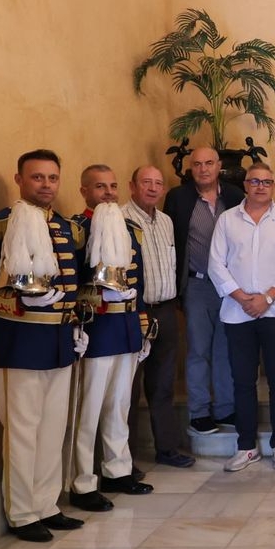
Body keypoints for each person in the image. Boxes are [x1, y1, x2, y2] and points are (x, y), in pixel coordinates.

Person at [0, 149, 86, 541]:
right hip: (19, 342)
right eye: (37, 177)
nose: (46, 185)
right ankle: (22, 513)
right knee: (22, 429)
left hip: (59, 341)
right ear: (19, 180)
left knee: (53, 427)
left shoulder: (67, 228)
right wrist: (20, 301)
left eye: (52, 178)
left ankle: (47, 504)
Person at [68, 164, 154, 513]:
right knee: (88, 410)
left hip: (126, 327)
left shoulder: (130, 229)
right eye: (100, 187)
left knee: (119, 405)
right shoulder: (77, 230)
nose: (108, 193)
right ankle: (83, 482)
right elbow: (71, 284)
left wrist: (143, 322)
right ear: (84, 191)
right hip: (96, 330)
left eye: (113, 186)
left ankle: (117, 470)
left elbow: (140, 281)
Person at [208, 163, 275, 472]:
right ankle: (246, 445)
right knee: (243, 381)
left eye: (266, 182)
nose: (260, 186)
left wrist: (266, 298)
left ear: (273, 186)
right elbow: (216, 265)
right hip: (238, 313)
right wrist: (241, 297)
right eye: (254, 181)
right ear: (245, 185)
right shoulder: (227, 220)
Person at [164, 147, 244, 435]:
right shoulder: (178, 198)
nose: (203, 169)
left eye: (209, 163)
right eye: (197, 164)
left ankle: (225, 408)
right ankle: (199, 412)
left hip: (231, 287)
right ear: (191, 168)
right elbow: (170, 242)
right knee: (198, 349)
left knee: (225, 349)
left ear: (219, 166)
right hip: (197, 285)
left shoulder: (235, 196)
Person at [124, 166, 194, 468]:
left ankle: (167, 448)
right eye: (146, 183)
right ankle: (123, 458)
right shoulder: (119, 221)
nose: (153, 188)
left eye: (158, 183)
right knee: (127, 386)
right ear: (132, 186)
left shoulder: (166, 222)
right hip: (133, 313)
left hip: (165, 311)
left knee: (163, 384)